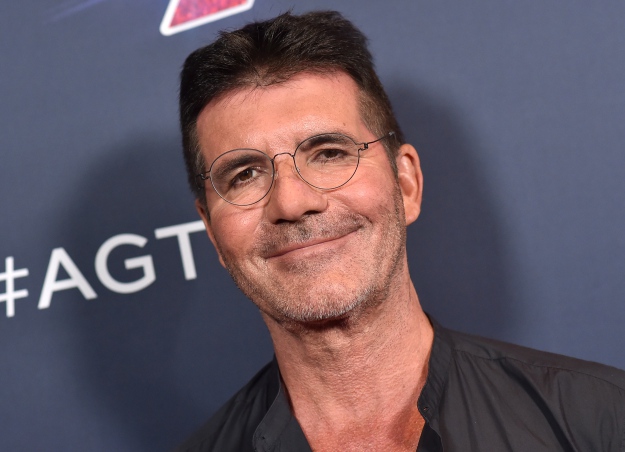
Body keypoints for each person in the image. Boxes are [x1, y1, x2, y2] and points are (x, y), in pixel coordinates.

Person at [175, 10, 625, 452]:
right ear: (212, 232)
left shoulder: (600, 421)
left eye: (329, 153)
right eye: (245, 175)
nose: (292, 203)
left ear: (406, 183)